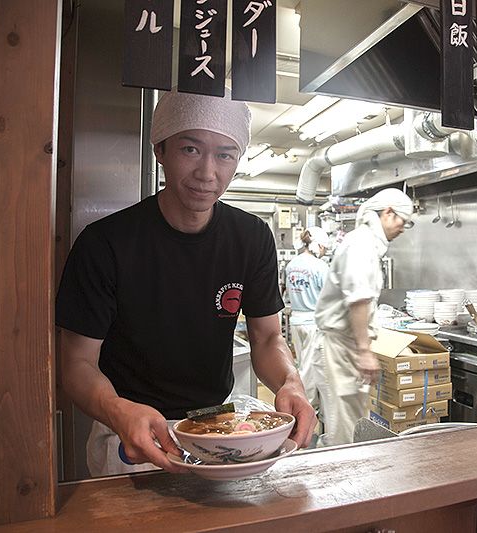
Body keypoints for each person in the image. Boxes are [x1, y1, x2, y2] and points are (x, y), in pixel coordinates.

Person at [56, 89, 316, 477]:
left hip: (218, 424)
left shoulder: (251, 238)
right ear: (160, 149)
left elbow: (267, 339)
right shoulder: (105, 243)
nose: (207, 173)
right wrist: (117, 410)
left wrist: (290, 382)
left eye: (225, 154)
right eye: (190, 149)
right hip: (132, 431)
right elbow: (77, 364)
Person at [314, 188, 414, 445]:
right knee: (345, 426)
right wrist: (364, 351)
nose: (403, 229)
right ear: (388, 213)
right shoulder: (361, 244)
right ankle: (341, 468)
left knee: (354, 420)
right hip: (340, 346)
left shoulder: (368, 244)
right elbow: (358, 300)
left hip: (347, 344)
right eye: (404, 221)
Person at [285, 227, 331, 438]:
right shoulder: (320, 267)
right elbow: (329, 298)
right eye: (324, 248)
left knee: (302, 365)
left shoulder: (292, 265)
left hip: (296, 320)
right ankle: (304, 418)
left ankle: (303, 413)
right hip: (314, 322)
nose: (324, 251)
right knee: (310, 373)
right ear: (318, 245)